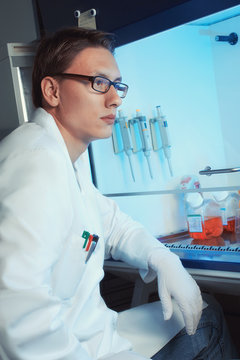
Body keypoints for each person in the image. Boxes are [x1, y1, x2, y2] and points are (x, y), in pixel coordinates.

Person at [0, 27, 237, 360]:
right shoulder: (35, 163)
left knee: (204, 309)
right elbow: (18, 312)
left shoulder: (66, 158)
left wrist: (163, 259)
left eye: (117, 85)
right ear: (52, 90)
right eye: (98, 83)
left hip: (92, 334)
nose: (115, 99)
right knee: (207, 324)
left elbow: (113, 224)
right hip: (68, 350)